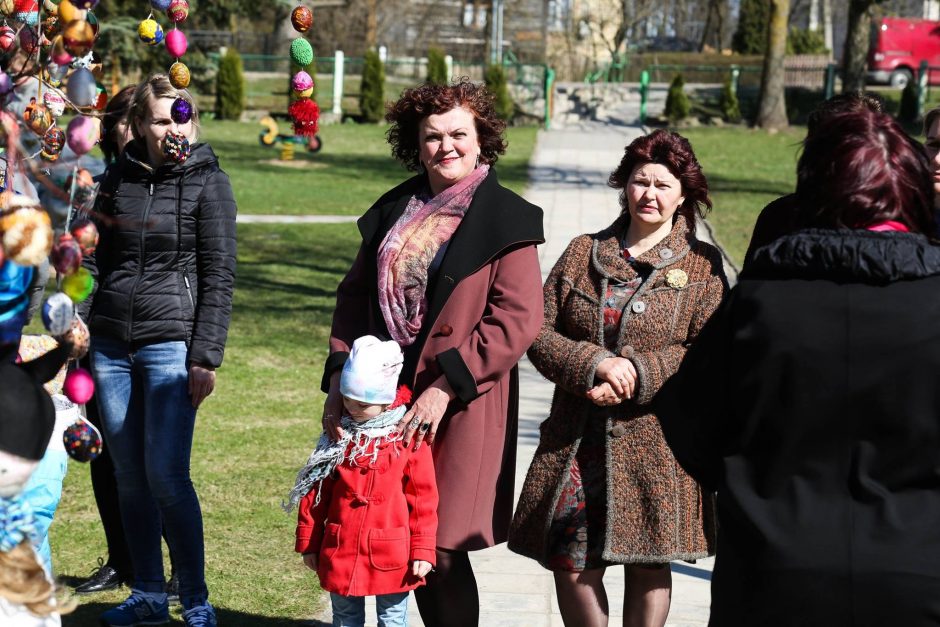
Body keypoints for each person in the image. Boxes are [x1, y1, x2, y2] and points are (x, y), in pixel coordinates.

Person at [655, 108, 940, 625]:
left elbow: (691, 425)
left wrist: (764, 481)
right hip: (917, 573)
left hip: (776, 569)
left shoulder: (759, 305)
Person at [322, 78, 544, 625]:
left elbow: (516, 319)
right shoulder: (395, 209)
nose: (446, 146)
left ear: (481, 138)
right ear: (415, 144)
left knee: (439, 549)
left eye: (458, 134)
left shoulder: (507, 217)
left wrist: (446, 388)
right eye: (432, 136)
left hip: (463, 404)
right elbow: (353, 299)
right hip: (384, 403)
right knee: (402, 541)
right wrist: (337, 382)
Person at [509, 129, 727, 626]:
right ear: (623, 185)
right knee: (569, 560)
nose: (649, 194)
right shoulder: (583, 253)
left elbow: (709, 350)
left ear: (684, 194)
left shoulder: (702, 266)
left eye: (663, 185)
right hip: (577, 436)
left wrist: (638, 373)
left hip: (660, 441)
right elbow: (534, 331)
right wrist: (595, 364)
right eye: (640, 181)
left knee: (649, 564)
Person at [81, 74, 237, 627]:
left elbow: (219, 275)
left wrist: (205, 356)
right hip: (110, 347)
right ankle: (148, 591)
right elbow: (95, 261)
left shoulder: (208, 181)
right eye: (161, 118)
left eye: (183, 115)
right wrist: (80, 323)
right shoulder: (115, 180)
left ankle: (193, 596)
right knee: (127, 475)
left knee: (167, 473)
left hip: (172, 345)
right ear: (139, 127)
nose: (174, 127)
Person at [290, 336, 437, 627]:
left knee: (392, 619)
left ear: (385, 401)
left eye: (362, 404)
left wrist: (423, 549)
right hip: (340, 545)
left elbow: (423, 500)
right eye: (346, 400)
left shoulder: (405, 439)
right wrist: (309, 540)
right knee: (345, 618)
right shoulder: (338, 438)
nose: (352, 409)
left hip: (392, 550)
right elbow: (316, 491)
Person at [71, 84, 139, 596]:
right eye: (126, 120)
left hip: (154, 338)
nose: (133, 129)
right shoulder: (92, 185)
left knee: (157, 461)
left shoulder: (171, 183)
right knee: (105, 454)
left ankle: (176, 566)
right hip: (100, 337)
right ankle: (121, 558)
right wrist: (78, 322)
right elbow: (82, 264)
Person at [742, 92, 885, 268]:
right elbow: (750, 289)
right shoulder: (779, 217)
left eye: (851, 148)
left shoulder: (893, 225)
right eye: (824, 146)